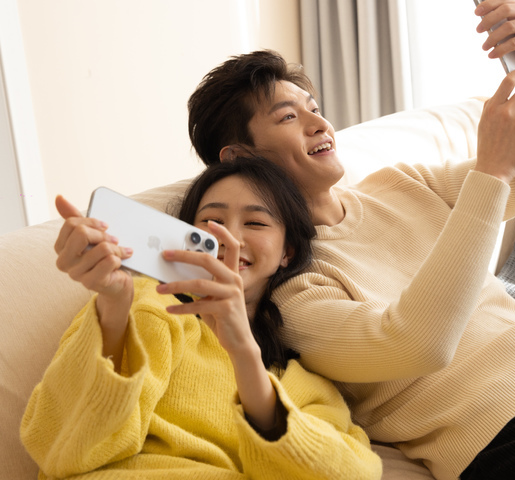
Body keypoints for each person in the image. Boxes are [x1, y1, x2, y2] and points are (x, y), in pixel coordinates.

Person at [186, 2, 515, 479]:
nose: (317, 122)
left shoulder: (399, 184)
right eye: (288, 116)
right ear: (241, 157)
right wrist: (489, 174)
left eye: (313, 106)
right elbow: (416, 343)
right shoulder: (294, 289)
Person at [20, 157, 383, 480]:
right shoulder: (152, 306)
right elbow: (59, 450)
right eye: (210, 221)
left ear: (287, 252)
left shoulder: (305, 385)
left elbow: (355, 471)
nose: (229, 238)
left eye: (255, 222)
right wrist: (114, 307)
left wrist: (245, 356)